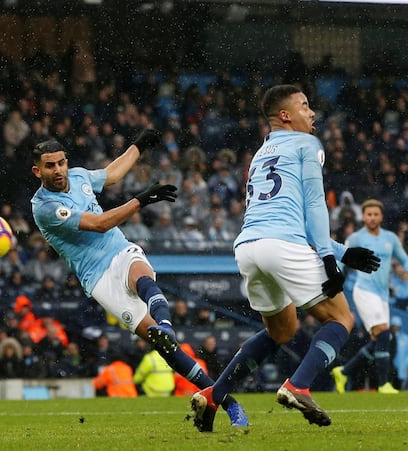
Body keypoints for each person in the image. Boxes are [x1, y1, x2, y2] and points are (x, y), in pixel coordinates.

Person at [190, 85, 381, 432]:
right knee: (341, 318)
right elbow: (312, 206)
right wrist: (328, 259)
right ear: (285, 115)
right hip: (283, 245)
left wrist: (343, 251)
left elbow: (282, 214)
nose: (312, 114)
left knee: (282, 329)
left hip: (248, 248)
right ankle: (298, 385)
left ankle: (214, 396)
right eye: (305, 106)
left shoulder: (262, 153)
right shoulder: (307, 144)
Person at [30, 130, 248, 427]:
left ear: (67, 162)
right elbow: (98, 223)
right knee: (164, 349)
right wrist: (140, 201)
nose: (57, 170)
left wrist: (139, 145)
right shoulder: (44, 207)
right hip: (98, 278)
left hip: (119, 250)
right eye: (50, 166)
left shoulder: (79, 177)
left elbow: (112, 174)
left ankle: (167, 328)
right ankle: (226, 402)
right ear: (37, 171)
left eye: (61, 163)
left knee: (143, 278)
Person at [332, 199, 408, 394]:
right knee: (383, 332)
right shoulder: (356, 239)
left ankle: (344, 371)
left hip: (383, 294)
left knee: (380, 339)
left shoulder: (390, 238)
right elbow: (342, 259)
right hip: (364, 291)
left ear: (381, 217)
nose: (372, 218)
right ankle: (384, 384)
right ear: (363, 217)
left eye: (376, 214)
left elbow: (404, 259)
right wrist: (335, 278)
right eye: (369, 214)